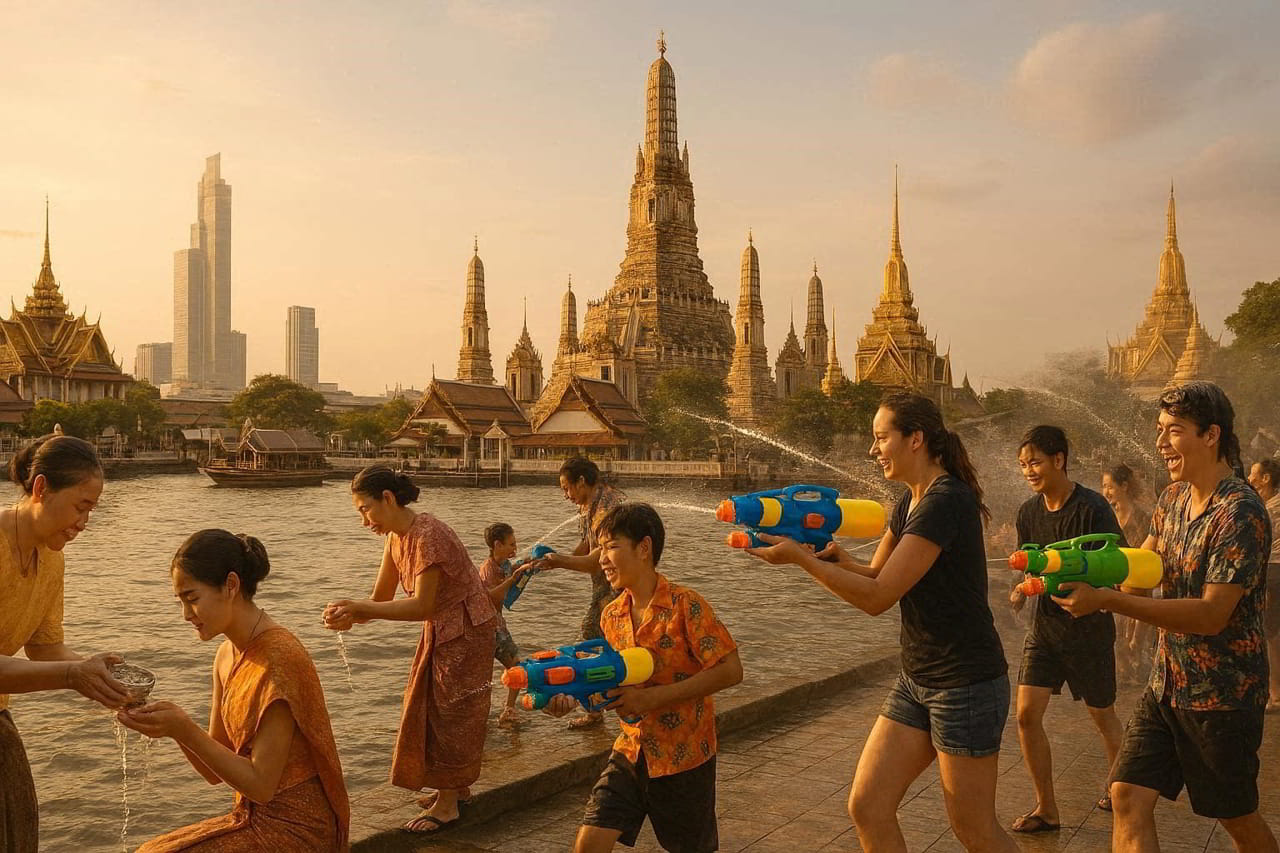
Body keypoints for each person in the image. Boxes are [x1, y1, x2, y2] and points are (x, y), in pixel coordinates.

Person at [746, 392, 1017, 852]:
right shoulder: (909, 501)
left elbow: (877, 598)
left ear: (915, 440)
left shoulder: (946, 501)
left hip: (964, 683)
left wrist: (799, 560)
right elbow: (875, 573)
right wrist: (831, 555)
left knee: (974, 828)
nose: (873, 450)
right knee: (868, 806)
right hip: (917, 678)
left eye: (880, 438)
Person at [1057, 381, 1277, 852]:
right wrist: (1066, 569)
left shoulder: (1240, 512)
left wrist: (1109, 601)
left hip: (1222, 695)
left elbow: (1211, 614)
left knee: (1235, 816)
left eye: (1173, 431)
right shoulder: (1174, 500)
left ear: (1211, 434)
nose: (1160, 443)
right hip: (1167, 684)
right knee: (1127, 795)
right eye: (1160, 430)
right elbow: (1139, 568)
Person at [119, 530, 350, 852]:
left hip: (300, 829)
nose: (186, 615)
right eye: (181, 602)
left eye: (192, 599)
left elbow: (261, 785)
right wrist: (168, 728)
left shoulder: (280, 659)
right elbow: (215, 773)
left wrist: (184, 728)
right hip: (251, 817)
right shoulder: (226, 655)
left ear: (230, 585)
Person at [542, 503, 742, 853]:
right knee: (589, 843)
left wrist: (653, 699)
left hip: (685, 755)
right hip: (632, 750)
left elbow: (730, 670)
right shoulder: (611, 615)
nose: (601, 558)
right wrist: (570, 696)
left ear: (644, 548)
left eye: (611, 546)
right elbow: (612, 680)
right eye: (599, 548)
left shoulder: (686, 605)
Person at [323, 466, 496, 834]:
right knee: (431, 706)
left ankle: (449, 803)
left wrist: (360, 609)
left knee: (452, 710)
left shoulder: (428, 534)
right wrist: (349, 615)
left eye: (365, 509)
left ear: (387, 498)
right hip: (445, 627)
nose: (363, 520)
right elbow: (381, 599)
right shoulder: (396, 538)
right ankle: (454, 787)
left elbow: (422, 606)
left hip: (467, 629)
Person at [0, 434, 130, 853]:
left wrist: (104, 679)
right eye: (81, 507)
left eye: (90, 511)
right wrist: (73, 675)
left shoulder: (52, 557)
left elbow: (45, 648)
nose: (83, 524)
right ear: (41, 489)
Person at [1007, 426, 1126, 832]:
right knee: (1025, 715)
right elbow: (1031, 562)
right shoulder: (1028, 512)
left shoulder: (1092, 508)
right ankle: (1047, 808)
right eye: (1023, 465)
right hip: (1045, 631)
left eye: (1035, 462)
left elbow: (1117, 563)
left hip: (1089, 630)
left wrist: (1096, 590)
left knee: (1103, 716)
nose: (1029, 471)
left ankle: (1121, 789)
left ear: (1059, 460)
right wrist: (1022, 589)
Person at [535, 456, 626, 729]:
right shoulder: (593, 504)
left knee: (591, 640)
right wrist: (554, 561)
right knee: (603, 645)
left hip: (618, 588)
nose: (566, 495)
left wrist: (558, 560)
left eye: (567, 488)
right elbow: (587, 545)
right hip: (605, 587)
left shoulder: (607, 509)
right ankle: (601, 706)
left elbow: (595, 560)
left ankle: (601, 708)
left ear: (582, 481)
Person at [1102, 463, 1156, 683]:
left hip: (1137, 583)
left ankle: (1135, 657)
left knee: (1133, 636)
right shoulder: (1106, 516)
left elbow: (1147, 556)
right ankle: (1123, 668)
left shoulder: (1142, 517)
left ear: (1124, 486)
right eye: (1103, 486)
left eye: (1109, 486)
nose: (1105, 492)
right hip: (1113, 579)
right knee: (1114, 635)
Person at [477, 521, 531, 728]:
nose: (514, 549)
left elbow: (513, 569)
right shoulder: (488, 569)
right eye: (510, 545)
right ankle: (484, 715)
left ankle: (508, 709)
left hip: (498, 626)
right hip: (488, 627)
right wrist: (514, 578)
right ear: (497, 545)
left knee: (515, 667)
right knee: (484, 676)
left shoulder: (504, 564)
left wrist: (529, 563)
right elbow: (492, 597)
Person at [1246, 457, 1280, 711]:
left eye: (1253, 474)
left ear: (1266, 479)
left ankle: (1275, 693)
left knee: (1270, 633)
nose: (1249, 478)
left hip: (1273, 571)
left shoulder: (1267, 510)